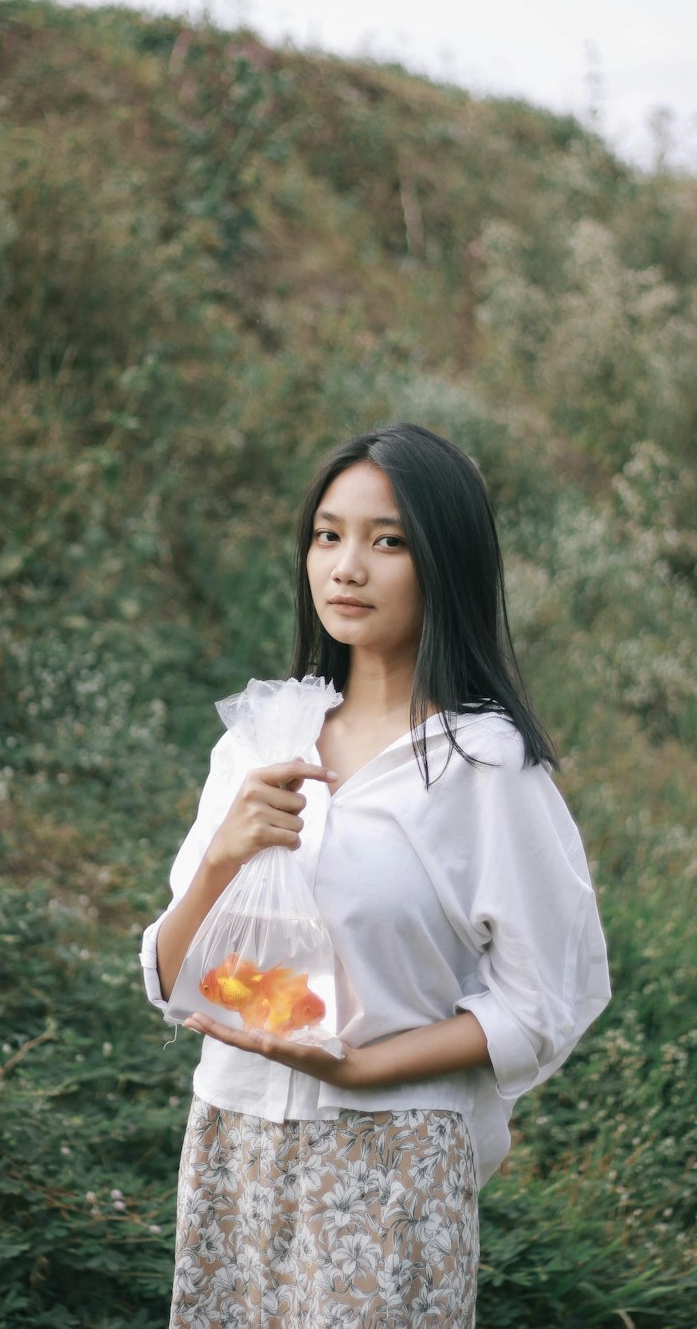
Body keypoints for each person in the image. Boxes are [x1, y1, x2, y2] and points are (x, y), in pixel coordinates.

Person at [140, 422, 610, 1328]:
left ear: (445, 562)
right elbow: (170, 983)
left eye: (386, 541)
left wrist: (367, 1068)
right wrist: (222, 860)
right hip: (233, 1145)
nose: (347, 566)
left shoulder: (485, 767)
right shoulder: (260, 741)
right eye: (328, 535)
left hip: (392, 1163)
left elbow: (549, 994)